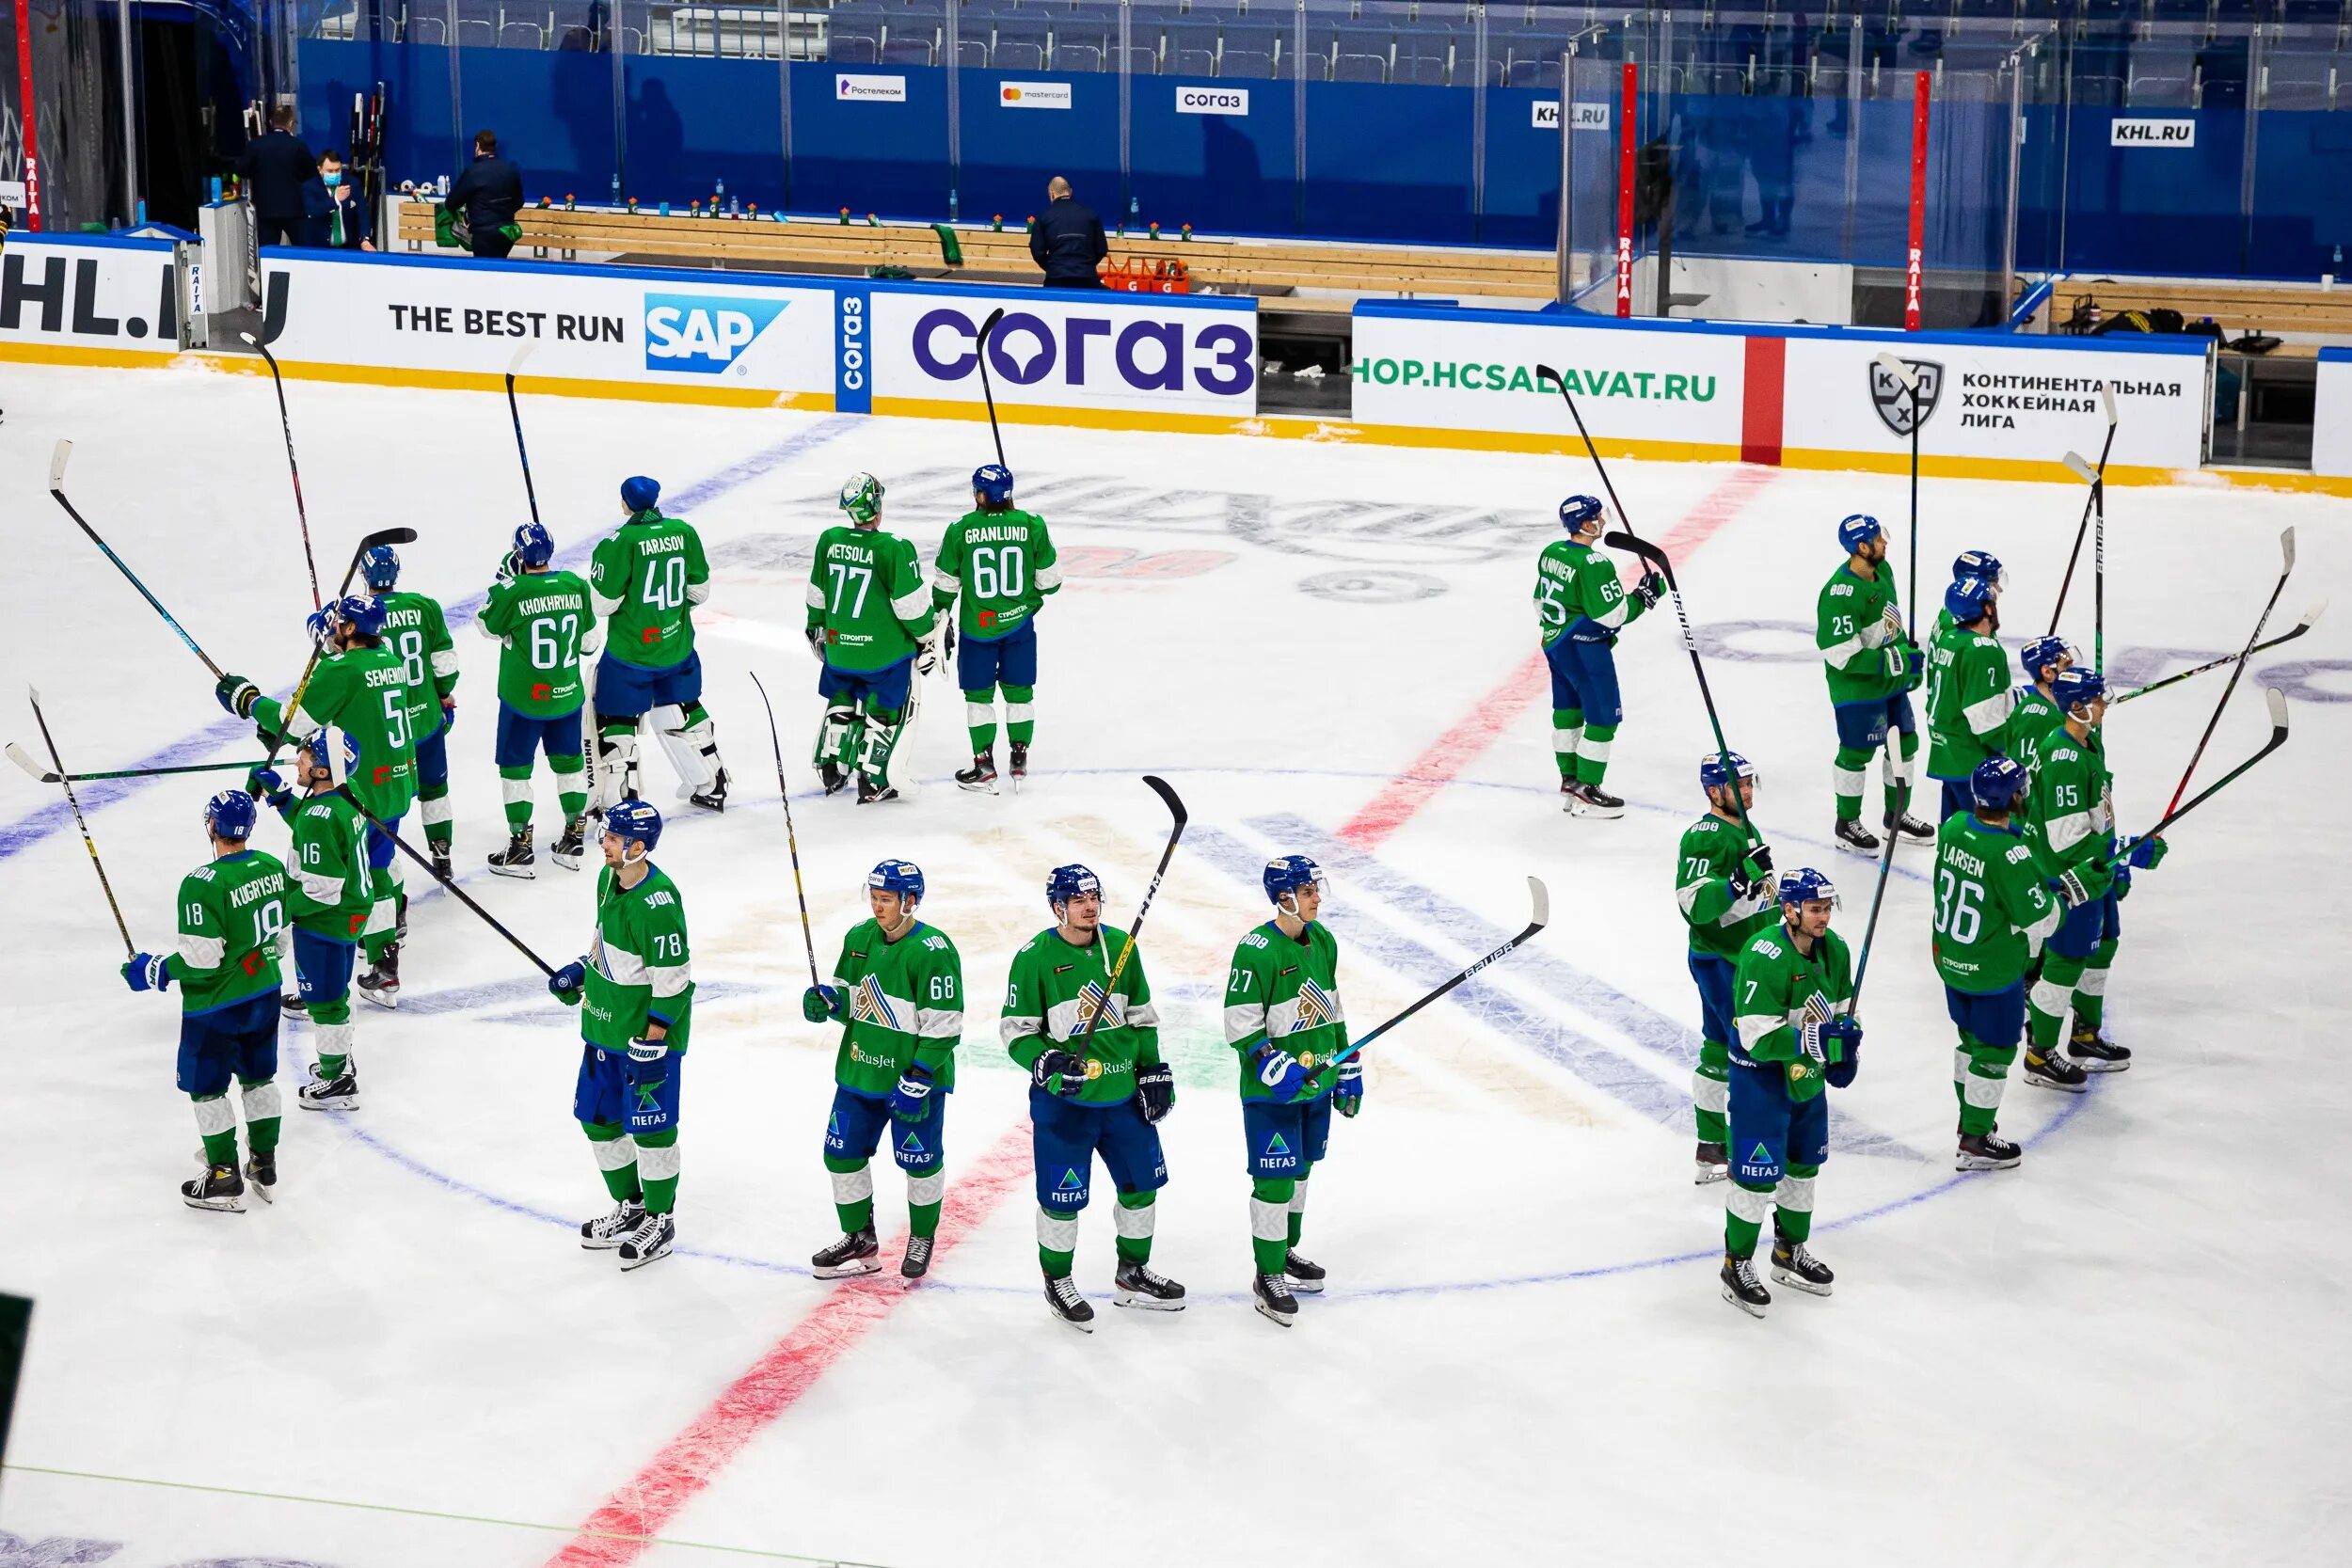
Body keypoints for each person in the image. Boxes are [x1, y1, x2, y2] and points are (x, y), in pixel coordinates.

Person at [1001, 863, 1183, 1331]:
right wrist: (1045, 1062)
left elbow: (1142, 1017)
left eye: (1094, 897)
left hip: (1123, 1100)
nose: (1089, 906)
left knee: (1142, 1187)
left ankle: (1132, 1273)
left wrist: (1152, 1069)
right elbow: (1016, 1032)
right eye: (1078, 900)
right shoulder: (1033, 958)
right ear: (1058, 907)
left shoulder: (1121, 947)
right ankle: (1057, 1280)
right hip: (1066, 1106)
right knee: (1061, 1200)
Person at [220, 595, 417, 1007]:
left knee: (326, 881)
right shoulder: (390, 659)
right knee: (377, 870)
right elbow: (344, 712)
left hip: (356, 795)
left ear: (348, 630)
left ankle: (334, 982)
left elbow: (295, 722)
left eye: (338, 624)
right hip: (394, 784)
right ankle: (383, 965)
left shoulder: (341, 668)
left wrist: (250, 701)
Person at [119, 789, 290, 1212]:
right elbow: (282, 939)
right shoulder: (270, 866)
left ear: (213, 827)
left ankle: (223, 1175)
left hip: (216, 1007)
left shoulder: (202, 883)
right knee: (259, 1080)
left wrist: (154, 969)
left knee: (208, 1091)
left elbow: (202, 959)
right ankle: (264, 1162)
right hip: (265, 992)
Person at [548, 800, 692, 1271]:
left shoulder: (659, 904)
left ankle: (659, 1217)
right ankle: (631, 1207)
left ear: (637, 847)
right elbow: (604, 945)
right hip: (603, 1031)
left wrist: (654, 1040)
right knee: (598, 1121)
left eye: (612, 838)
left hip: (644, 1042)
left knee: (652, 1133)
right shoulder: (607, 880)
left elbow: (674, 979)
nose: (603, 844)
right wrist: (581, 971)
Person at [803, 860, 964, 1281]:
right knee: (840, 1155)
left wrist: (921, 1075)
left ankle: (922, 1236)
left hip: (913, 1082)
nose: (878, 907)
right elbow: (851, 998)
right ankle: (860, 1239)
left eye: (886, 899)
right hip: (859, 1074)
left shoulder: (933, 950)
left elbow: (945, 1024)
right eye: (874, 898)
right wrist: (827, 1001)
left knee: (920, 1160)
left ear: (910, 901)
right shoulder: (859, 937)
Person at [1222, 854, 1358, 1326]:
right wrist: (1271, 1063)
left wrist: (1348, 1064)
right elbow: (1239, 1024)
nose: (1317, 897)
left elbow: (1332, 1006)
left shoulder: (1322, 940)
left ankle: (1285, 1252)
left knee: (1301, 1173)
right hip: (1271, 1095)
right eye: (1308, 891)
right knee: (1275, 1180)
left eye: (1316, 888)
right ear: (1284, 897)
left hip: (1316, 1084)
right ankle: (1267, 1274)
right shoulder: (1256, 949)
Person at [1721, 867, 1859, 1318]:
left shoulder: (1835, 950)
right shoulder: (1764, 954)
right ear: (1790, 910)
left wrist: (1845, 1048)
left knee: (1803, 1168)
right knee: (1755, 1176)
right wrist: (1816, 1043)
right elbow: (1755, 1036)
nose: (1823, 918)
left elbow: (1841, 1014)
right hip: (1760, 1079)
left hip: (1806, 1077)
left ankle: (1788, 1252)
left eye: (1826, 909)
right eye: (1815, 910)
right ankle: (1735, 1263)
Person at [2025, 669, 2167, 1080]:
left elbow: (2095, 818)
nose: (2104, 705)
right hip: (2071, 877)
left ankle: (2085, 1034)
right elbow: (2066, 840)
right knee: (2066, 962)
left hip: (2095, 872)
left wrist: (2118, 852)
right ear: (2076, 707)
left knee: (2104, 945)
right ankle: (2039, 1054)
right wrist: (2124, 854)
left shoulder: (2089, 742)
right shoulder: (2064, 758)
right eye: (2096, 700)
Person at [1931, 755, 2067, 1171]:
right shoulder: (2009, 855)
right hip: (1991, 971)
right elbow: (2043, 919)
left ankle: (1966, 1121)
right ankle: (1975, 1136)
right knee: (1993, 1053)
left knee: (1969, 1042)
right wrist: (2063, 896)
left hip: (1952, 961)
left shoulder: (1955, 827)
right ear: (2010, 797)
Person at [248, 729, 372, 1112]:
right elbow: (313, 827)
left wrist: (281, 909)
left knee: (325, 1001)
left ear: (321, 771)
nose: (297, 762)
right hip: (350, 913)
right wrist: (281, 797)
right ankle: (340, 1060)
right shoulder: (347, 794)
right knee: (333, 991)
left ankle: (339, 1080)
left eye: (304, 759)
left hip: (327, 920)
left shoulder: (320, 816)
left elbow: (322, 890)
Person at [590, 475, 729, 813]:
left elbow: (601, 603)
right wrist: (665, 615)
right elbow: (698, 592)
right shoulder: (683, 532)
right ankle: (713, 780)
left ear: (626, 503)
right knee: (683, 707)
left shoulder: (619, 541)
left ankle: (621, 799)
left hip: (630, 653)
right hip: (677, 645)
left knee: (615, 717)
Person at [1676, 752, 1776, 1184]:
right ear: (1714, 791)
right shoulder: (1704, 837)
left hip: (1741, 956)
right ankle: (1742, 1154)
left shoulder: (1743, 827)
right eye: (1739, 785)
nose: (1747, 792)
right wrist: (1735, 884)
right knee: (1747, 1054)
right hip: (1723, 960)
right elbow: (1694, 905)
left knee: (1718, 1050)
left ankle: (1713, 1147)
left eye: (1751, 783)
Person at [808, 473, 939, 804]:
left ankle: (832, 765)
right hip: (883, 654)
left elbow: (817, 594)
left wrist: (816, 628)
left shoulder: (829, 540)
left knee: (842, 696)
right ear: (877, 506)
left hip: (839, 649)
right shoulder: (893, 547)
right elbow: (911, 609)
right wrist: (928, 637)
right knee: (885, 709)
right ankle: (874, 778)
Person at [478, 521, 598, 875]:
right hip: (565, 697)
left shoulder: (512, 591)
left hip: (523, 701)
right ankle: (574, 840)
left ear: (518, 555)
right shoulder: (576, 585)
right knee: (569, 765)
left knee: (516, 771)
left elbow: (485, 625)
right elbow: (590, 643)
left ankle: (520, 848)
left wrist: (503, 582)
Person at [933, 463, 1061, 793]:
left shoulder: (960, 529)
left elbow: (946, 585)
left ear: (980, 494)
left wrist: (940, 619)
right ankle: (1019, 756)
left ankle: (984, 764)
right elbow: (1051, 583)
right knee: (1019, 693)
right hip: (1019, 624)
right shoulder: (1031, 524)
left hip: (977, 630)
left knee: (979, 697)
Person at [1534, 494, 1663, 817]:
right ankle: (1588, 791)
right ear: (1585, 523)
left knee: (1567, 711)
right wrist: (1644, 597)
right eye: (1597, 517)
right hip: (1586, 649)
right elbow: (1613, 614)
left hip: (1555, 644)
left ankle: (1571, 782)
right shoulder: (1594, 562)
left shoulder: (1552, 553)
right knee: (1603, 718)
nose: (1602, 522)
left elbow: (1538, 601)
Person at [1815, 514, 1930, 855]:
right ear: (1861, 547)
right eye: (1878, 539)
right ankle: (1846, 823)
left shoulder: (1885, 572)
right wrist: (1896, 663)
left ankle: (1897, 815)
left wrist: (1908, 657)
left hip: (1888, 683)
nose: (1885, 542)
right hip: (1856, 689)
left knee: (1906, 744)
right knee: (1856, 752)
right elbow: (1841, 656)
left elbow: (1893, 625)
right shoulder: (1839, 593)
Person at [365, 545, 459, 880]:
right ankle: (442, 852)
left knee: (388, 804)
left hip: (386, 733)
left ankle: (387, 883)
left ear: (365, 575)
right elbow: (445, 665)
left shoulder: (356, 617)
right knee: (435, 789)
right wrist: (442, 696)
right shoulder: (423, 606)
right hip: (426, 721)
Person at [1923, 577, 2014, 821]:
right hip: (1973, 762)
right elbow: (1985, 719)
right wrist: (2011, 750)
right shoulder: (1982, 649)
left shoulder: (1949, 639)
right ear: (1986, 608)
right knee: (1982, 837)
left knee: (1954, 835)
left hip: (1947, 755)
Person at [2006, 636, 2076, 800]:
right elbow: (2025, 782)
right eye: (2067, 665)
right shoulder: (2040, 720)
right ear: (2047, 672)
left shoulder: (2053, 706)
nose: (2074, 672)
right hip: (2038, 820)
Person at [238, 104, 316, 248]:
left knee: (268, 255)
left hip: (266, 210)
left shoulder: (255, 145)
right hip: (295, 210)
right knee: (304, 252)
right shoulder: (298, 146)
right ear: (291, 124)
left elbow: (241, 170)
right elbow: (311, 174)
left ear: (270, 123)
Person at [443, 129, 524, 260]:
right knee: (499, 267)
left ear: (478, 146)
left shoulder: (473, 172)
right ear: (494, 147)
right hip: (508, 233)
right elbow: (519, 201)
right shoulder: (510, 170)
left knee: (486, 273)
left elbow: (452, 202)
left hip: (484, 234)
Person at [1029, 176, 1107, 289]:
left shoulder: (1044, 216)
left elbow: (1037, 252)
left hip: (1056, 279)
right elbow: (1101, 249)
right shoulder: (1091, 214)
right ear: (1070, 191)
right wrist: (1085, 265)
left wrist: (1053, 267)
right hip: (1087, 277)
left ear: (1051, 194)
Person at [302, 150, 373, 251]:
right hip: (318, 248)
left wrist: (365, 239)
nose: (334, 174)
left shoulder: (353, 184)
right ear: (320, 170)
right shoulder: (309, 187)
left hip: (349, 247)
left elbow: (363, 214)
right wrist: (335, 200)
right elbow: (313, 210)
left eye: (337, 170)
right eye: (330, 171)